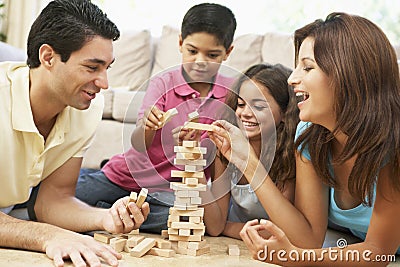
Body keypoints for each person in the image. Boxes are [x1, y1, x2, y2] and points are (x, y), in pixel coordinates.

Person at [209, 12, 400, 265]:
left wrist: (294, 258)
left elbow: (378, 252)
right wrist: (247, 161)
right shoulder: (310, 136)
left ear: (348, 75)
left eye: (308, 67)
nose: (292, 79)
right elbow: (307, 238)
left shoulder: (393, 141)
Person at [0, 1, 150, 266]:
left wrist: (105, 219)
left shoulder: (87, 108)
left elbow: (53, 199)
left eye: (107, 68)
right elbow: (44, 225)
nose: (104, 83)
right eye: (92, 68)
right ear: (48, 57)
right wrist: (46, 235)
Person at [75, 3, 237, 233]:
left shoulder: (229, 95)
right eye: (192, 51)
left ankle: (108, 211)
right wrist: (148, 127)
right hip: (125, 177)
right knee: (64, 196)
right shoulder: (163, 83)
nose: (200, 61)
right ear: (180, 43)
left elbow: (225, 156)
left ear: (228, 52)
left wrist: (191, 148)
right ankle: (109, 206)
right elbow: (138, 143)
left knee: (185, 222)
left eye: (212, 55)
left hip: (172, 194)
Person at [203, 63, 299, 239]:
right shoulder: (225, 150)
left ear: (285, 113)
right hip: (242, 238)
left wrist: (229, 228)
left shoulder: (290, 157)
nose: (245, 113)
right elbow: (215, 227)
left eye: (259, 107)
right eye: (240, 104)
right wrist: (194, 168)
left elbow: (282, 232)